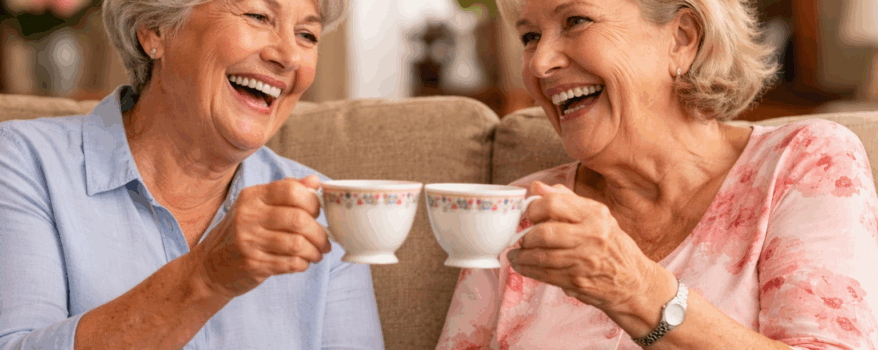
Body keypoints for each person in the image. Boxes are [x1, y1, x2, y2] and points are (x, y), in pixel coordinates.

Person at [437, 0, 878, 349]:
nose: (539, 63)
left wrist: (637, 291)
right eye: (530, 36)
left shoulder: (804, 162)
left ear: (682, 39)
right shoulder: (517, 210)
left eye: (575, 20)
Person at [0, 0, 384, 349]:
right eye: (258, 16)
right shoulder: (23, 163)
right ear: (155, 30)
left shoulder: (328, 209)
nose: (288, 57)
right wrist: (206, 277)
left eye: (306, 35)